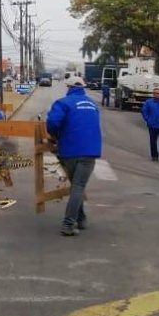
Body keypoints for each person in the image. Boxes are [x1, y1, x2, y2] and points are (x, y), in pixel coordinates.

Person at [46, 80, 102, 236]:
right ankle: (75, 221)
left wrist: (55, 135)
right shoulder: (93, 104)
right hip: (89, 152)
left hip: (69, 151)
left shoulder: (63, 103)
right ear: (83, 88)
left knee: (76, 187)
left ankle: (74, 222)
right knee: (78, 187)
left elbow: (52, 122)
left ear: (69, 88)